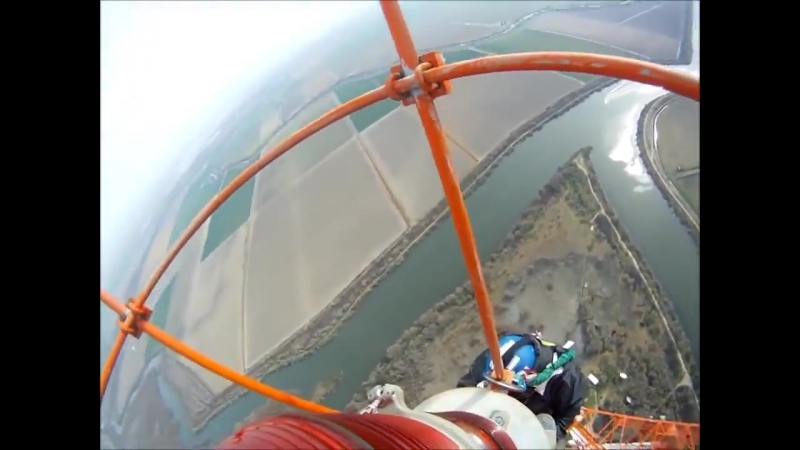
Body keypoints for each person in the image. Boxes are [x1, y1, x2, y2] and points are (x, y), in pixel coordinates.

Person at [456, 331, 589, 447]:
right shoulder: (497, 355)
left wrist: (533, 440)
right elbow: (465, 387)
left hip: (529, 429)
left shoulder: (570, 383)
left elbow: (563, 422)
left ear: (530, 375)